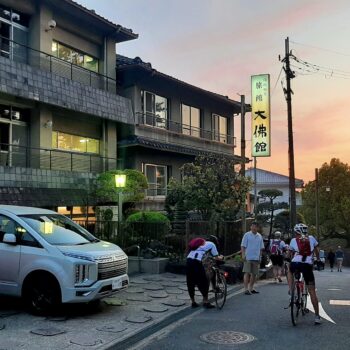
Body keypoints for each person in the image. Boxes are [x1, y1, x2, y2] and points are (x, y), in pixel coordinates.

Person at [287, 223, 322, 325]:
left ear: (296, 232)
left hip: (295, 263)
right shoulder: (311, 239)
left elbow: (289, 253)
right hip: (307, 265)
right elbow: (316, 250)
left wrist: (288, 257)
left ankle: (291, 289)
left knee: (289, 270)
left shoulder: (293, 240)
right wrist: (318, 259)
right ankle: (317, 317)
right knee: (312, 291)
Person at [186, 236, 223, 308]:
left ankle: (193, 302)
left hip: (189, 261)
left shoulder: (198, 244)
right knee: (204, 281)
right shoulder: (212, 244)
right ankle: (206, 301)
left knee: (190, 282)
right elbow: (216, 257)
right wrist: (221, 257)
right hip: (197, 262)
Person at [241, 222, 265, 295]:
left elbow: (261, 248)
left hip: (256, 257)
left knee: (254, 274)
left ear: (258, 228)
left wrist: (260, 257)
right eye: (253, 226)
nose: (254, 228)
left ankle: (251, 288)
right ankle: (245, 289)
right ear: (251, 227)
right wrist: (243, 255)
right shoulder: (247, 235)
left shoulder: (259, 236)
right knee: (247, 272)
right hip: (248, 256)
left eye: (255, 226)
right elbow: (243, 246)